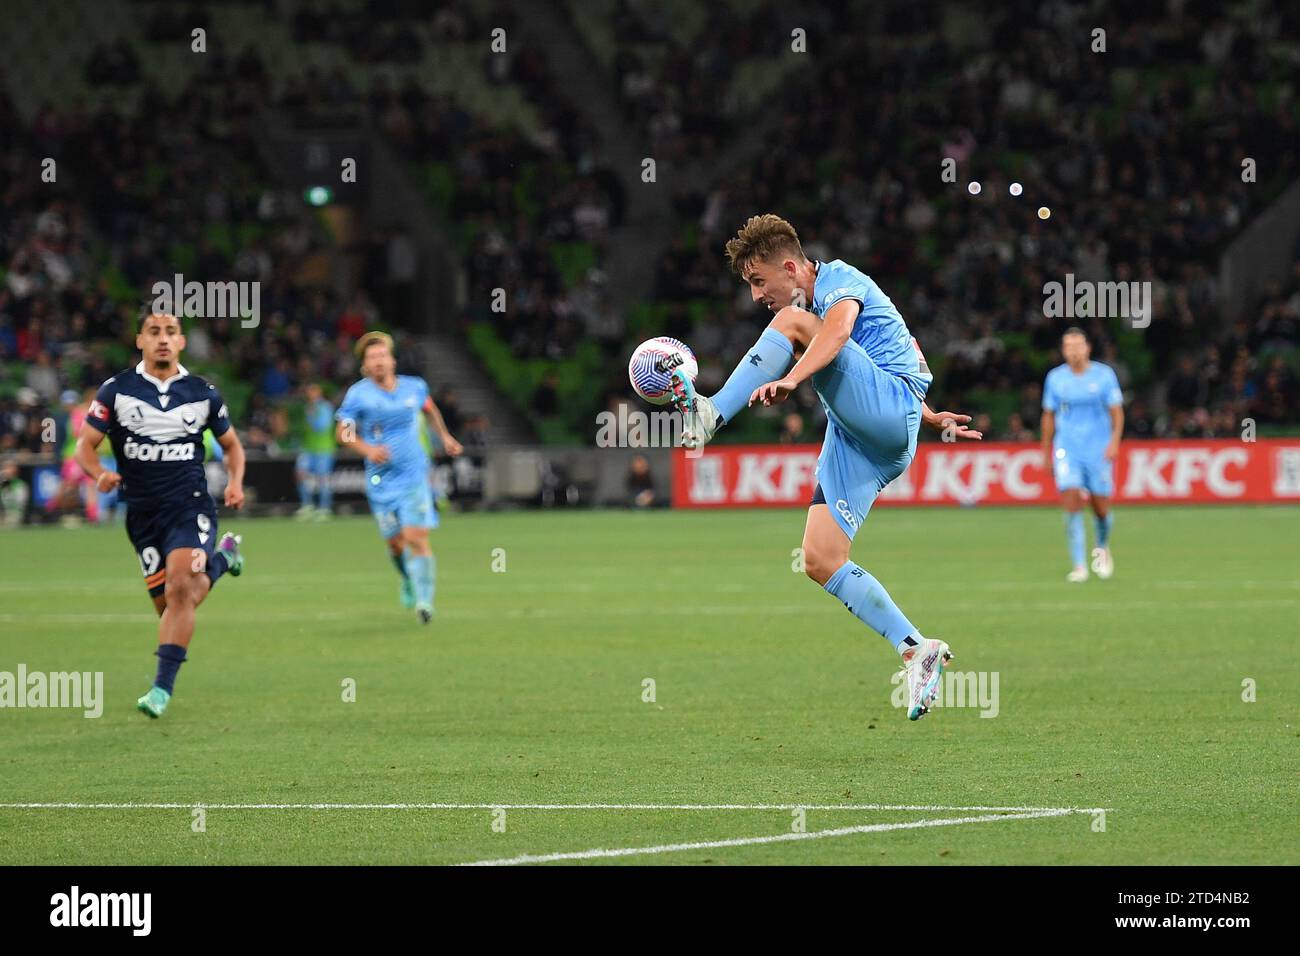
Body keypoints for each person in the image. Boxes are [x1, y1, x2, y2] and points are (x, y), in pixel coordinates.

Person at [670, 214, 982, 720]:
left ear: (791, 267)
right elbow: (893, 355)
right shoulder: (819, 298)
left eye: (757, 281)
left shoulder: (840, 282)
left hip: (884, 415)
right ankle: (915, 648)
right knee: (820, 558)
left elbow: (838, 332)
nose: (754, 296)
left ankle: (711, 414)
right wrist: (928, 414)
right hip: (867, 436)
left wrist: (793, 379)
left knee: (793, 325)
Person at [74, 310, 247, 718]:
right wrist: (98, 473)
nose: (163, 339)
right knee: (171, 606)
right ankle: (224, 559)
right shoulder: (116, 391)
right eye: (154, 332)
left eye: (171, 332)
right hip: (141, 515)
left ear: (182, 342)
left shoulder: (203, 393)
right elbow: (85, 446)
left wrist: (236, 482)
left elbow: (233, 447)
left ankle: (160, 691)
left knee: (181, 588)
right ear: (140, 340)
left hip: (189, 507)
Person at [335, 331, 463, 623]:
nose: (378, 362)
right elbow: (342, 432)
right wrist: (367, 449)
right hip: (381, 481)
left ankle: (424, 602)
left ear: (392, 361)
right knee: (395, 543)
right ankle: (407, 578)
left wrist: (445, 437)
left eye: (382, 356)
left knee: (416, 538)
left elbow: (430, 410)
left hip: (414, 475)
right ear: (365, 366)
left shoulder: (414, 387)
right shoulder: (358, 394)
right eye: (372, 358)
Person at [1040, 328, 1124, 582]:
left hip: (1097, 450)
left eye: (1078, 345)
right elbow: (1048, 415)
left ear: (1087, 348)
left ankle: (1102, 547)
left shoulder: (1104, 376)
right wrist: (1046, 452)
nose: (1073, 351)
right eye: (1068, 346)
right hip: (1067, 449)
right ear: (1063, 350)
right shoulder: (1055, 378)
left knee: (1100, 509)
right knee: (1072, 500)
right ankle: (1079, 566)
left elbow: (1117, 413)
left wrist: (1114, 442)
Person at [295, 383, 336, 519]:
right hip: (308, 448)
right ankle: (307, 506)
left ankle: (325, 508)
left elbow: (322, 427)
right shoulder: (308, 407)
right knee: (300, 473)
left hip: (323, 448)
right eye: (309, 392)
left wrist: (312, 417)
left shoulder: (324, 407)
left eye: (313, 392)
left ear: (319, 393)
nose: (310, 394)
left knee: (322, 478)